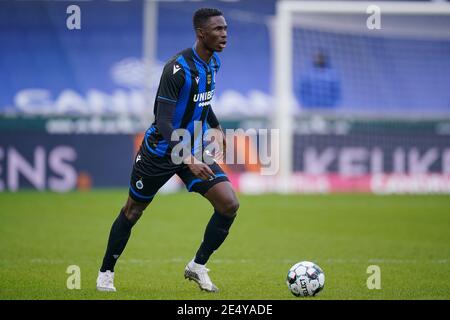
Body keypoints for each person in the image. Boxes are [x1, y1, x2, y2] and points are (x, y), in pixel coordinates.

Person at [96, 8, 238, 293]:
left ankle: (197, 266)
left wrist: (216, 127)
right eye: (218, 29)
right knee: (133, 210)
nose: (224, 34)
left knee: (228, 204)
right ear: (201, 33)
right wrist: (187, 157)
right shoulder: (177, 68)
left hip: (193, 146)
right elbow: (162, 120)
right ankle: (106, 272)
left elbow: (202, 101)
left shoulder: (214, 64)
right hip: (161, 151)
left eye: (225, 28)